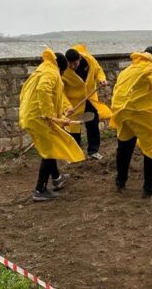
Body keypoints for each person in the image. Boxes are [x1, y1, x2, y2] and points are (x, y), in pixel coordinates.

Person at [19, 48, 85, 202]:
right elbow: (44, 90)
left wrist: (63, 110)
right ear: (61, 67)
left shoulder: (42, 70)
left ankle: (57, 178)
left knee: (51, 146)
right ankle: (39, 190)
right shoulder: (51, 73)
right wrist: (49, 115)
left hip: (31, 116)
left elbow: (55, 95)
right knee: (49, 151)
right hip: (39, 119)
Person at [109, 46, 152, 197]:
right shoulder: (151, 68)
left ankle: (120, 181)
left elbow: (118, 89)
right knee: (151, 146)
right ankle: (149, 187)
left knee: (124, 146)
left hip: (121, 111)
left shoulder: (128, 69)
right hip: (138, 113)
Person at [62, 45, 112, 160]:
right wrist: (67, 106)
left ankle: (93, 151)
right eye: (70, 64)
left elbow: (98, 70)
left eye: (75, 63)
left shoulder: (89, 61)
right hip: (73, 104)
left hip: (89, 99)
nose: (72, 66)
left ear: (79, 58)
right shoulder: (64, 70)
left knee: (93, 124)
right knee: (73, 128)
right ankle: (75, 155)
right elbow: (61, 92)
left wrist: (102, 79)